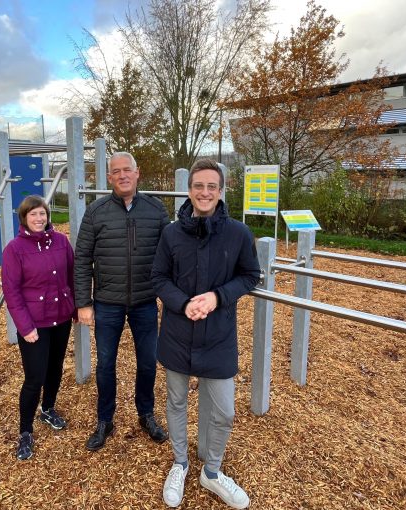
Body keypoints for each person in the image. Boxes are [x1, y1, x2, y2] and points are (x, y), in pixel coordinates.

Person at [151, 159, 260, 509]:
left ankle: (211, 471)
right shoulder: (171, 234)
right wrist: (183, 304)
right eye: (199, 186)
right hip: (177, 333)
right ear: (189, 190)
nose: (204, 192)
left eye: (212, 186)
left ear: (221, 191)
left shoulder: (239, 234)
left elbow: (250, 275)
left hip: (219, 336)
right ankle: (180, 463)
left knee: (224, 410)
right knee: (177, 402)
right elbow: (158, 278)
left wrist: (217, 297)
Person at [74, 151, 170, 451]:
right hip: (107, 302)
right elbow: (81, 259)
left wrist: (171, 296)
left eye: (127, 170)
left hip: (144, 301)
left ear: (137, 173)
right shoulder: (96, 211)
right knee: (105, 365)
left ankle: (146, 414)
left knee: (148, 364)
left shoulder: (156, 210)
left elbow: (169, 256)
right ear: (109, 177)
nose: (122, 175)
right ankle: (105, 419)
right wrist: (83, 302)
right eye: (116, 171)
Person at [1, 195, 76, 460]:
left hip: (61, 318)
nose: (39, 218)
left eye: (42, 213)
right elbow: (11, 291)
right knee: (34, 377)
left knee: (55, 368)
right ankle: (25, 430)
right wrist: (24, 326)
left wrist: (75, 307)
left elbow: (71, 275)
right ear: (24, 218)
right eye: (33, 214)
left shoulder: (61, 242)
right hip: (34, 323)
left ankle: (48, 408)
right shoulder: (15, 249)